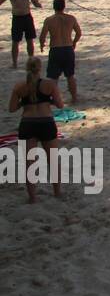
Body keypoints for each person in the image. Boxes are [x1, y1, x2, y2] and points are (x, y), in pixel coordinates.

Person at [8, 56, 65, 203]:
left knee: (29, 163)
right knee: (52, 159)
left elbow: (12, 108)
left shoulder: (19, 86)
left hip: (27, 123)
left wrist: (23, 103)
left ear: (27, 68)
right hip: (46, 122)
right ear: (40, 68)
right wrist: (49, 100)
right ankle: (57, 192)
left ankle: (32, 197)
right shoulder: (49, 84)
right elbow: (60, 105)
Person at [40, 0, 82, 104]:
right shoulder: (71, 18)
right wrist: (74, 42)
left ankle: (52, 98)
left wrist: (42, 45)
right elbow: (79, 33)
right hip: (68, 49)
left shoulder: (49, 20)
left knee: (53, 77)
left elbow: (42, 36)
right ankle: (74, 97)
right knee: (70, 76)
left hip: (55, 49)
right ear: (64, 7)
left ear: (54, 7)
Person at [2, 0, 42, 68]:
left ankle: (31, 61)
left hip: (27, 17)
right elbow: (1, 0)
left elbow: (34, 2)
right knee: (15, 41)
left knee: (30, 39)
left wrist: (38, 4)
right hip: (17, 18)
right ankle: (15, 63)